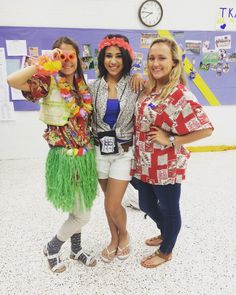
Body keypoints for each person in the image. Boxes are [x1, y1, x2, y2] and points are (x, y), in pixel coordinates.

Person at [7, 37, 98, 273]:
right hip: (64, 157)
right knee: (82, 215)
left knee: (80, 205)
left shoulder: (82, 86)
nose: (67, 61)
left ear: (78, 59)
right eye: (61, 56)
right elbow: (12, 80)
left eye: (71, 56)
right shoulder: (47, 82)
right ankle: (52, 247)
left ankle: (76, 249)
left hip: (85, 156)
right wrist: (44, 64)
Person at [131, 37, 214, 268]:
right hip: (144, 163)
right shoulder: (150, 88)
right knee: (147, 205)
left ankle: (167, 250)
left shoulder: (180, 95)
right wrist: (137, 77)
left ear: (174, 62)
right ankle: (166, 232)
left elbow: (206, 129)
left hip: (166, 166)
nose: (155, 63)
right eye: (151, 58)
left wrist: (170, 139)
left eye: (161, 58)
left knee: (168, 208)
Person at [89, 34, 138, 262]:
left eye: (119, 56)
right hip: (99, 151)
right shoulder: (93, 86)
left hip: (123, 152)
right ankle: (114, 239)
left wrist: (140, 75)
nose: (113, 61)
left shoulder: (135, 84)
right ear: (102, 58)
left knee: (112, 202)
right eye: (108, 55)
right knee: (108, 201)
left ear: (126, 57)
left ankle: (125, 234)